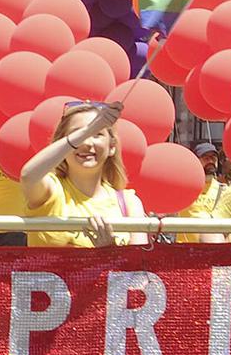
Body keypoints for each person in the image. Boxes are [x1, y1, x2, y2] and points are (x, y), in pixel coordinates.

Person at [18, 102, 143, 248]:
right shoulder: (51, 191)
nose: (87, 143)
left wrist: (110, 251)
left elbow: (140, 260)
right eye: (77, 134)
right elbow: (28, 176)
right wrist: (89, 130)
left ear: (111, 147)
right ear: (61, 146)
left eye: (97, 134)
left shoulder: (129, 203)